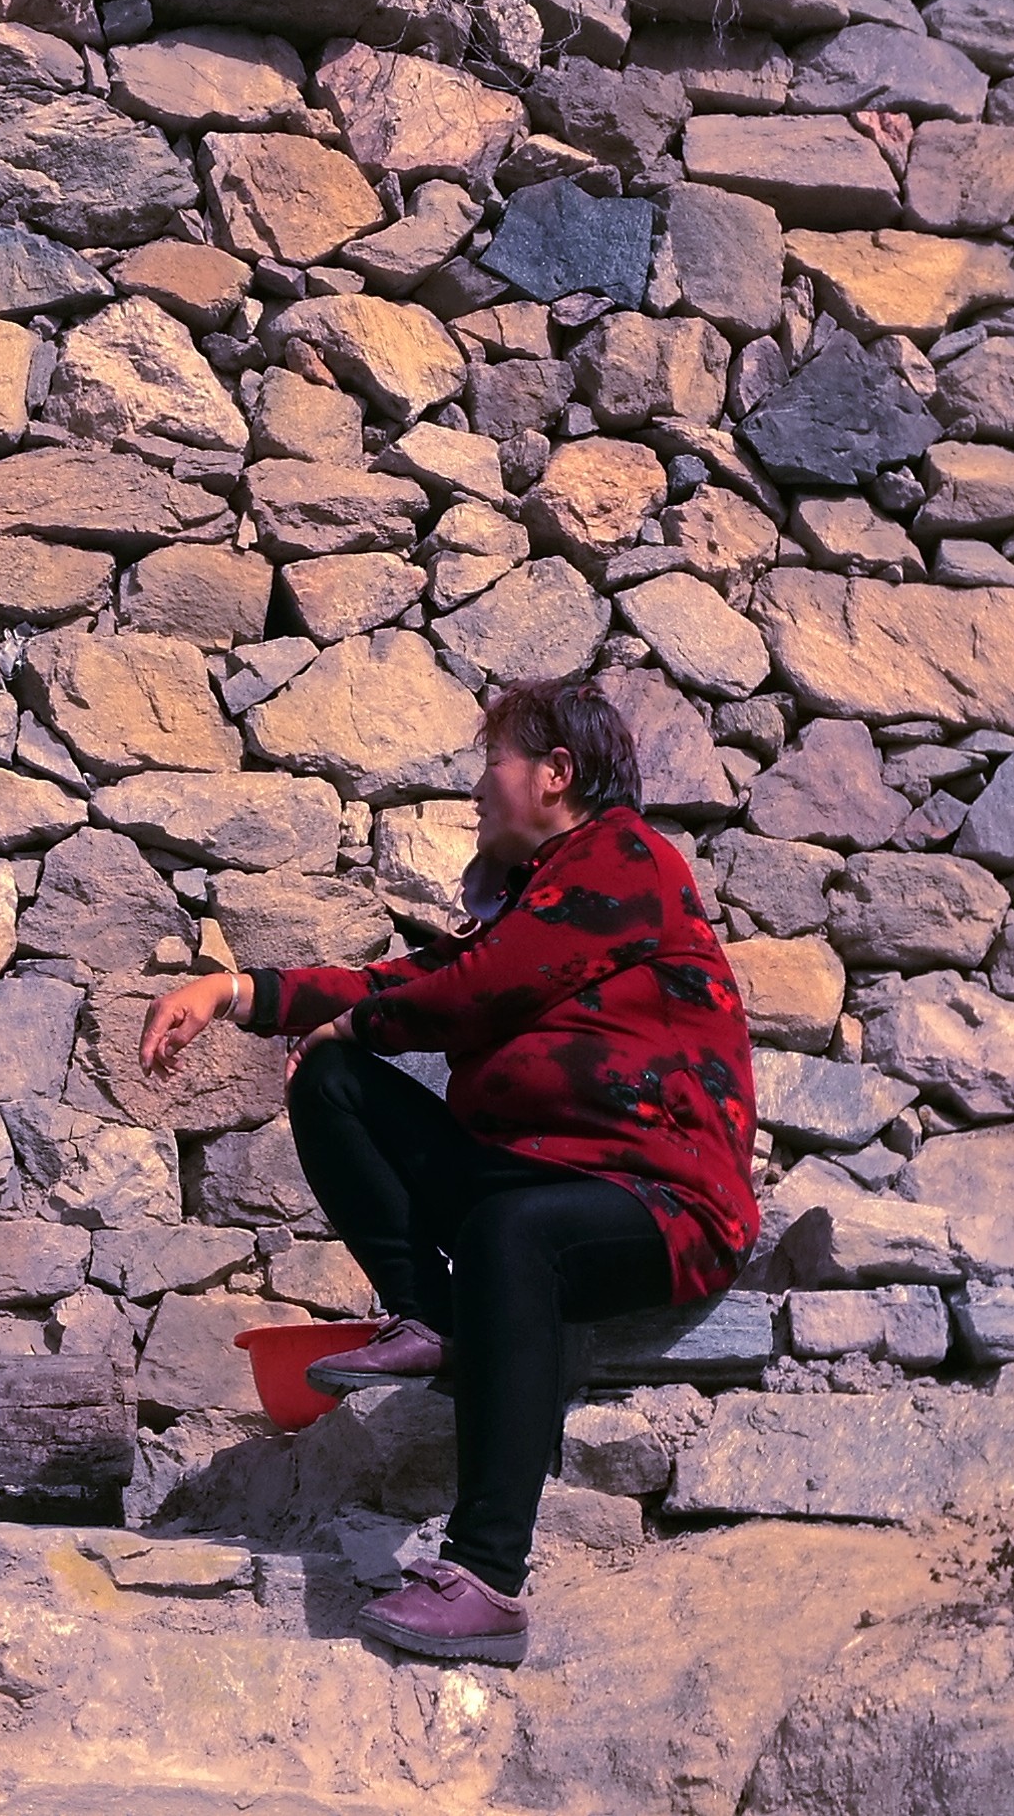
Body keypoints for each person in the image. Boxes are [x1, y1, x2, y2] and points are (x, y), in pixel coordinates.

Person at [140, 678, 757, 1668]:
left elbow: (476, 992)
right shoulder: (539, 898)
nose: (479, 787)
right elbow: (425, 982)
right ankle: (431, 1315)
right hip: (533, 1180)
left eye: (494, 763)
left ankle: (486, 1583)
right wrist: (245, 992)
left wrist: (354, 1016)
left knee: (517, 1234)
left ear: (557, 775)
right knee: (335, 1079)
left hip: (661, 1204)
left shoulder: (626, 860)